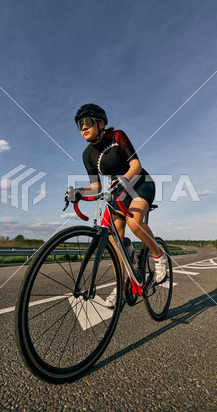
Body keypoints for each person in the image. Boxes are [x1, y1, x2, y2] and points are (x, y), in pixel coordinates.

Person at [66, 103, 167, 307]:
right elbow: (95, 187)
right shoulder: (87, 155)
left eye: (86, 122)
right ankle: (121, 285)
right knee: (115, 240)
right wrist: (78, 192)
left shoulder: (117, 136)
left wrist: (124, 181)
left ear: (100, 123)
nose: (82, 127)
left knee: (134, 222)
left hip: (139, 184)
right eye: (79, 125)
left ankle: (159, 256)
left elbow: (135, 165)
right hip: (117, 192)